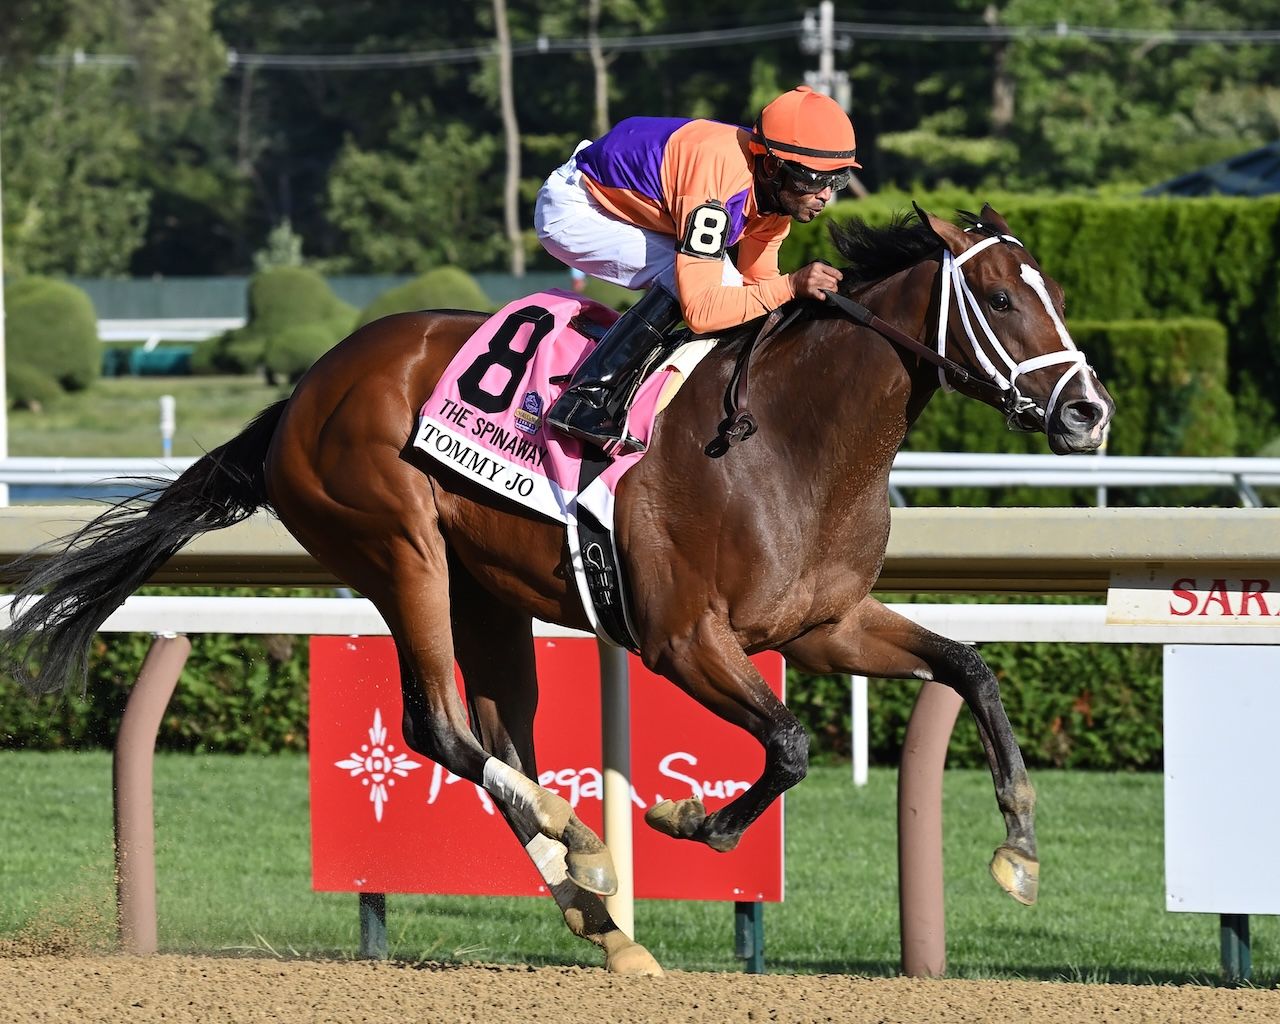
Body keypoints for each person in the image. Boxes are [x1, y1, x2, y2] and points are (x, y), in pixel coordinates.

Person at [534, 85, 859, 454]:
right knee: (706, 284)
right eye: (814, 179)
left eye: (837, 180)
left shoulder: (772, 198)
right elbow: (702, 311)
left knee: (739, 295)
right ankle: (586, 398)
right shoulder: (717, 184)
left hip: (633, 202)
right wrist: (792, 285)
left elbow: (761, 287)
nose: (825, 195)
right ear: (772, 166)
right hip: (577, 208)